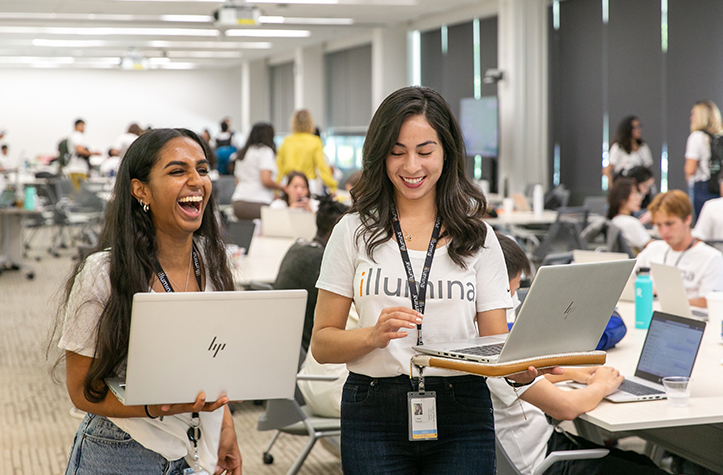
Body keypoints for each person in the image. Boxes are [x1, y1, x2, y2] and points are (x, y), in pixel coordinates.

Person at [311, 86, 552, 474]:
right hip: (373, 409)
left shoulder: (477, 237)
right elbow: (322, 343)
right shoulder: (353, 231)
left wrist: (525, 366)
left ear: (448, 153)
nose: (411, 166)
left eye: (425, 151)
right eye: (397, 151)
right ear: (379, 154)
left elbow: (495, 344)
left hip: (463, 409)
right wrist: (372, 336)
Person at [55, 128, 242, 474]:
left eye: (201, 169)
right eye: (177, 171)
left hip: (196, 449)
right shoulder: (103, 272)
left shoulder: (214, 261)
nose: (196, 181)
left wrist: (225, 423)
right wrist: (159, 406)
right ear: (141, 189)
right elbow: (81, 391)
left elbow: (214, 358)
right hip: (122, 451)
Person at [489, 234, 668, 475]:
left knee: (639, 462)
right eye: (513, 289)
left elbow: (518, 381)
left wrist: (573, 373)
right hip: (544, 462)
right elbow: (566, 408)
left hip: (544, 446)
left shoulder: (476, 343)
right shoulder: (495, 349)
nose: (514, 299)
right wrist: (601, 386)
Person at [274, 195, 349, 352]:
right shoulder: (323, 261)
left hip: (282, 340)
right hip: (306, 350)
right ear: (337, 230)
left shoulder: (297, 246)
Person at [635, 190, 723, 307]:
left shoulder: (711, 258)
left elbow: (708, 304)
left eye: (670, 224)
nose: (664, 231)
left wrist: (661, 294)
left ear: (687, 219)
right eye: (659, 225)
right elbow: (625, 284)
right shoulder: (653, 249)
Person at [276, 109, 338, 193]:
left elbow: (279, 167)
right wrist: (332, 186)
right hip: (308, 184)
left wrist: (276, 189)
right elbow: (321, 166)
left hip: (289, 184)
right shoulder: (315, 141)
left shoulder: (286, 141)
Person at [231, 122, 283, 221]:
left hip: (238, 203)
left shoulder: (243, 153)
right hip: (258, 203)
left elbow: (237, 181)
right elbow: (266, 180)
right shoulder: (265, 151)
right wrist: (282, 187)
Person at [685, 100, 723, 217]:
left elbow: (690, 169)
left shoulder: (697, 137)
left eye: (694, 114)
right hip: (719, 185)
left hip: (703, 187)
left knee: (703, 227)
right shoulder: (720, 137)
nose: (691, 118)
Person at [606, 177, 653, 253]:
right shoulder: (630, 223)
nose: (639, 198)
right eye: (635, 194)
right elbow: (653, 247)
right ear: (622, 198)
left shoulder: (615, 220)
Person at [603, 116, 653, 186]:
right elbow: (607, 170)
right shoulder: (618, 147)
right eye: (635, 127)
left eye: (639, 126)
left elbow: (648, 169)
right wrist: (613, 189)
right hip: (624, 185)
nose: (638, 130)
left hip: (640, 186)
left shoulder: (643, 147)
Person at [66, 119, 101, 188]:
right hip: (77, 168)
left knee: (77, 193)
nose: (83, 128)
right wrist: (93, 153)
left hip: (77, 168)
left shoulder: (74, 135)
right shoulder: (77, 135)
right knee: (80, 193)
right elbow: (80, 150)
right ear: (77, 126)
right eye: (82, 126)